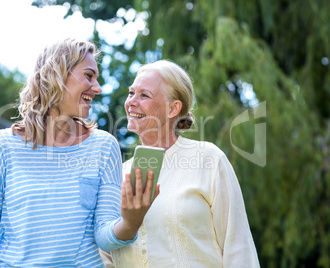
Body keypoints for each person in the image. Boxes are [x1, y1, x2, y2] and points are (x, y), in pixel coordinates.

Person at [0, 38, 156, 267]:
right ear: (57, 74)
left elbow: (104, 238)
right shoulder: (0, 147)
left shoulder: (104, 146)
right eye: (89, 76)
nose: (97, 88)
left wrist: (131, 222)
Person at [109, 60, 260, 267]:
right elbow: (105, 256)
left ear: (173, 109)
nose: (131, 102)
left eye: (144, 95)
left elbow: (238, 247)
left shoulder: (208, 159)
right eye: (131, 93)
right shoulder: (116, 175)